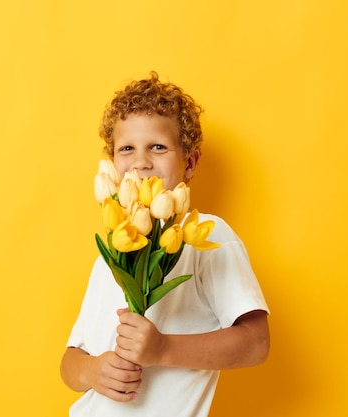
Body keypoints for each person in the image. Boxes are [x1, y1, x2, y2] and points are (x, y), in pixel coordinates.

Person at [60, 71, 270, 417]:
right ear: (113, 164)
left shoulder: (206, 234)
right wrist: (92, 371)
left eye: (158, 147)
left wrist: (163, 348)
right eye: (127, 149)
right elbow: (71, 360)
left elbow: (256, 344)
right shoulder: (112, 252)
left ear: (189, 162)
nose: (141, 162)